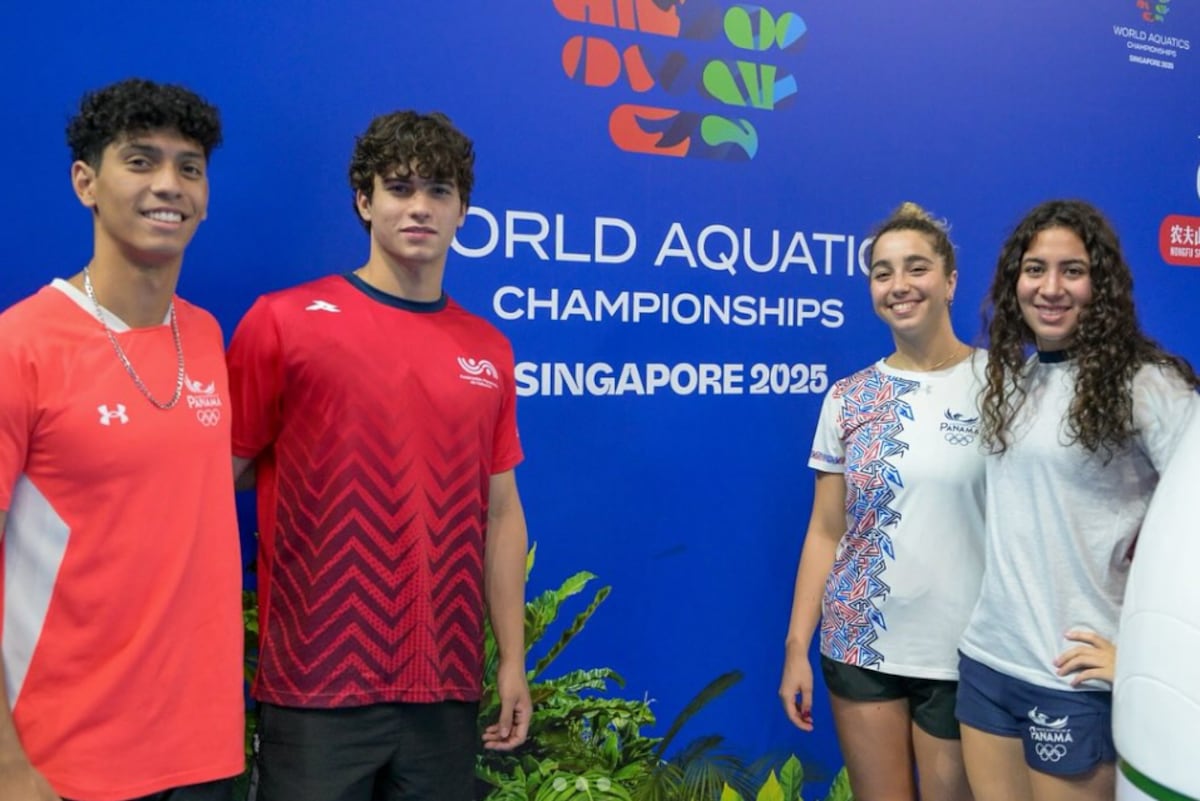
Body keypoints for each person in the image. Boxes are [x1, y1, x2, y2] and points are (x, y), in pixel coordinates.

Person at [227, 110, 530, 801]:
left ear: (462, 211)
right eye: (398, 187)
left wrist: (511, 660)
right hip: (315, 685)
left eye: (439, 190)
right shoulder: (285, 320)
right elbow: (217, 485)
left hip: (445, 689)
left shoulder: (488, 349)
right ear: (365, 202)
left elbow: (503, 514)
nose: (419, 206)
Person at [0, 79, 243, 801]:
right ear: (86, 182)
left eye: (188, 167)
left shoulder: (205, 335)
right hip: (61, 761)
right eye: (140, 161)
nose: (169, 185)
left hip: (204, 754)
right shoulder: (22, 344)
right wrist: (9, 765)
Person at [956, 199, 1200, 801]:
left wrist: (1138, 659)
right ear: (1015, 281)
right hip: (990, 662)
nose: (1051, 288)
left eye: (1073, 270)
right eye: (1035, 269)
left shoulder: (1147, 384)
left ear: (1102, 284)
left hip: (1073, 681)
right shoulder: (1015, 380)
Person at [780, 203, 985, 801]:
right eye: (882, 272)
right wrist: (797, 645)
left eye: (916, 268)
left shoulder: (1004, 387)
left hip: (964, 655)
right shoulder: (847, 398)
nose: (899, 286)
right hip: (858, 646)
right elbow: (825, 531)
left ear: (949, 281)